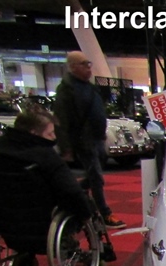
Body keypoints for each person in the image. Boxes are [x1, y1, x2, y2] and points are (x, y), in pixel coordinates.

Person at [0, 107, 97, 266]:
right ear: (34, 133)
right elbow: (71, 191)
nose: (54, 137)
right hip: (44, 222)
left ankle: (25, 254)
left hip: (3, 222)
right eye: (50, 133)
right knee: (82, 200)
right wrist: (86, 213)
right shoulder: (45, 155)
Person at [53, 51, 125, 229]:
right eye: (84, 64)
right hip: (83, 141)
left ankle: (75, 190)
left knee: (95, 176)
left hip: (97, 138)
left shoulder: (89, 87)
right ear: (73, 67)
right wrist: (66, 148)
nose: (88, 68)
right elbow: (61, 121)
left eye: (89, 63)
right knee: (96, 177)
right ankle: (105, 213)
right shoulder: (67, 90)